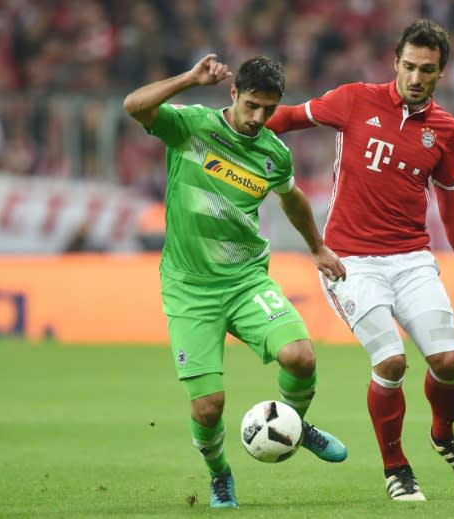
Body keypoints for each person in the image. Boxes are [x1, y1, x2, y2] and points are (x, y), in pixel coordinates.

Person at [266, 19, 454, 501]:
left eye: (426, 70)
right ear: (395, 63)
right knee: (390, 361)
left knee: (447, 361)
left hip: (411, 257)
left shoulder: (445, 129)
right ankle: (396, 467)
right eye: (408, 66)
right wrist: (233, 123)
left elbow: (450, 200)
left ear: (440, 74)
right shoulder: (354, 99)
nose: (415, 77)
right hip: (349, 259)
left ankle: (444, 434)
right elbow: (286, 118)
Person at [123, 54, 348, 509]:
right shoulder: (191, 127)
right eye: (251, 106)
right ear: (233, 94)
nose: (259, 118)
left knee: (300, 356)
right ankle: (219, 473)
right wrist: (189, 78)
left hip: (246, 280)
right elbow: (134, 105)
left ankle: (295, 426)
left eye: (269, 109)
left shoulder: (273, 153)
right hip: (190, 290)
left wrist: (317, 246)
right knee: (208, 406)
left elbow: (293, 199)